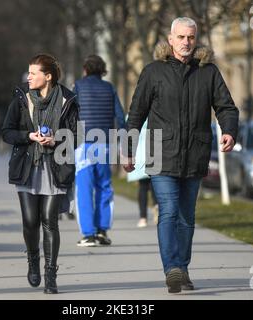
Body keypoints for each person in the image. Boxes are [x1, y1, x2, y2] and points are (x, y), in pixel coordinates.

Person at [123, 17, 239, 293]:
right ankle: (172, 269)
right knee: (169, 211)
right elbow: (136, 114)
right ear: (171, 39)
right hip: (161, 155)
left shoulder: (208, 72)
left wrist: (229, 130)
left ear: (195, 39)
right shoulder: (153, 72)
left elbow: (227, 107)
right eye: (181, 37)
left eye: (191, 37)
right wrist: (127, 150)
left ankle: (183, 268)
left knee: (187, 216)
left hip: (195, 155)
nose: (186, 42)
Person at [1, 54, 79, 294]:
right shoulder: (21, 98)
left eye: (34, 73)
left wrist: (56, 139)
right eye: (29, 72)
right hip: (27, 167)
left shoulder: (68, 99)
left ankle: (51, 275)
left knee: (49, 221)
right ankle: (33, 260)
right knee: (30, 221)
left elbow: (77, 136)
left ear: (48, 77)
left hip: (55, 168)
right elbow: (6, 132)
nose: (29, 77)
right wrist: (29, 137)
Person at [74, 54, 126, 247]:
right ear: (102, 70)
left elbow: (70, 115)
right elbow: (120, 118)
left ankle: (88, 234)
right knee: (104, 187)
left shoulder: (78, 87)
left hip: (83, 144)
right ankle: (102, 232)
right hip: (106, 144)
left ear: (85, 69)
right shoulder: (110, 88)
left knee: (84, 190)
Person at [126, 119, 158, 228]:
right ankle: (156, 206)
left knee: (143, 187)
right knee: (155, 184)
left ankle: (143, 218)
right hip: (155, 153)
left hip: (139, 155)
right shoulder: (155, 111)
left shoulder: (134, 114)